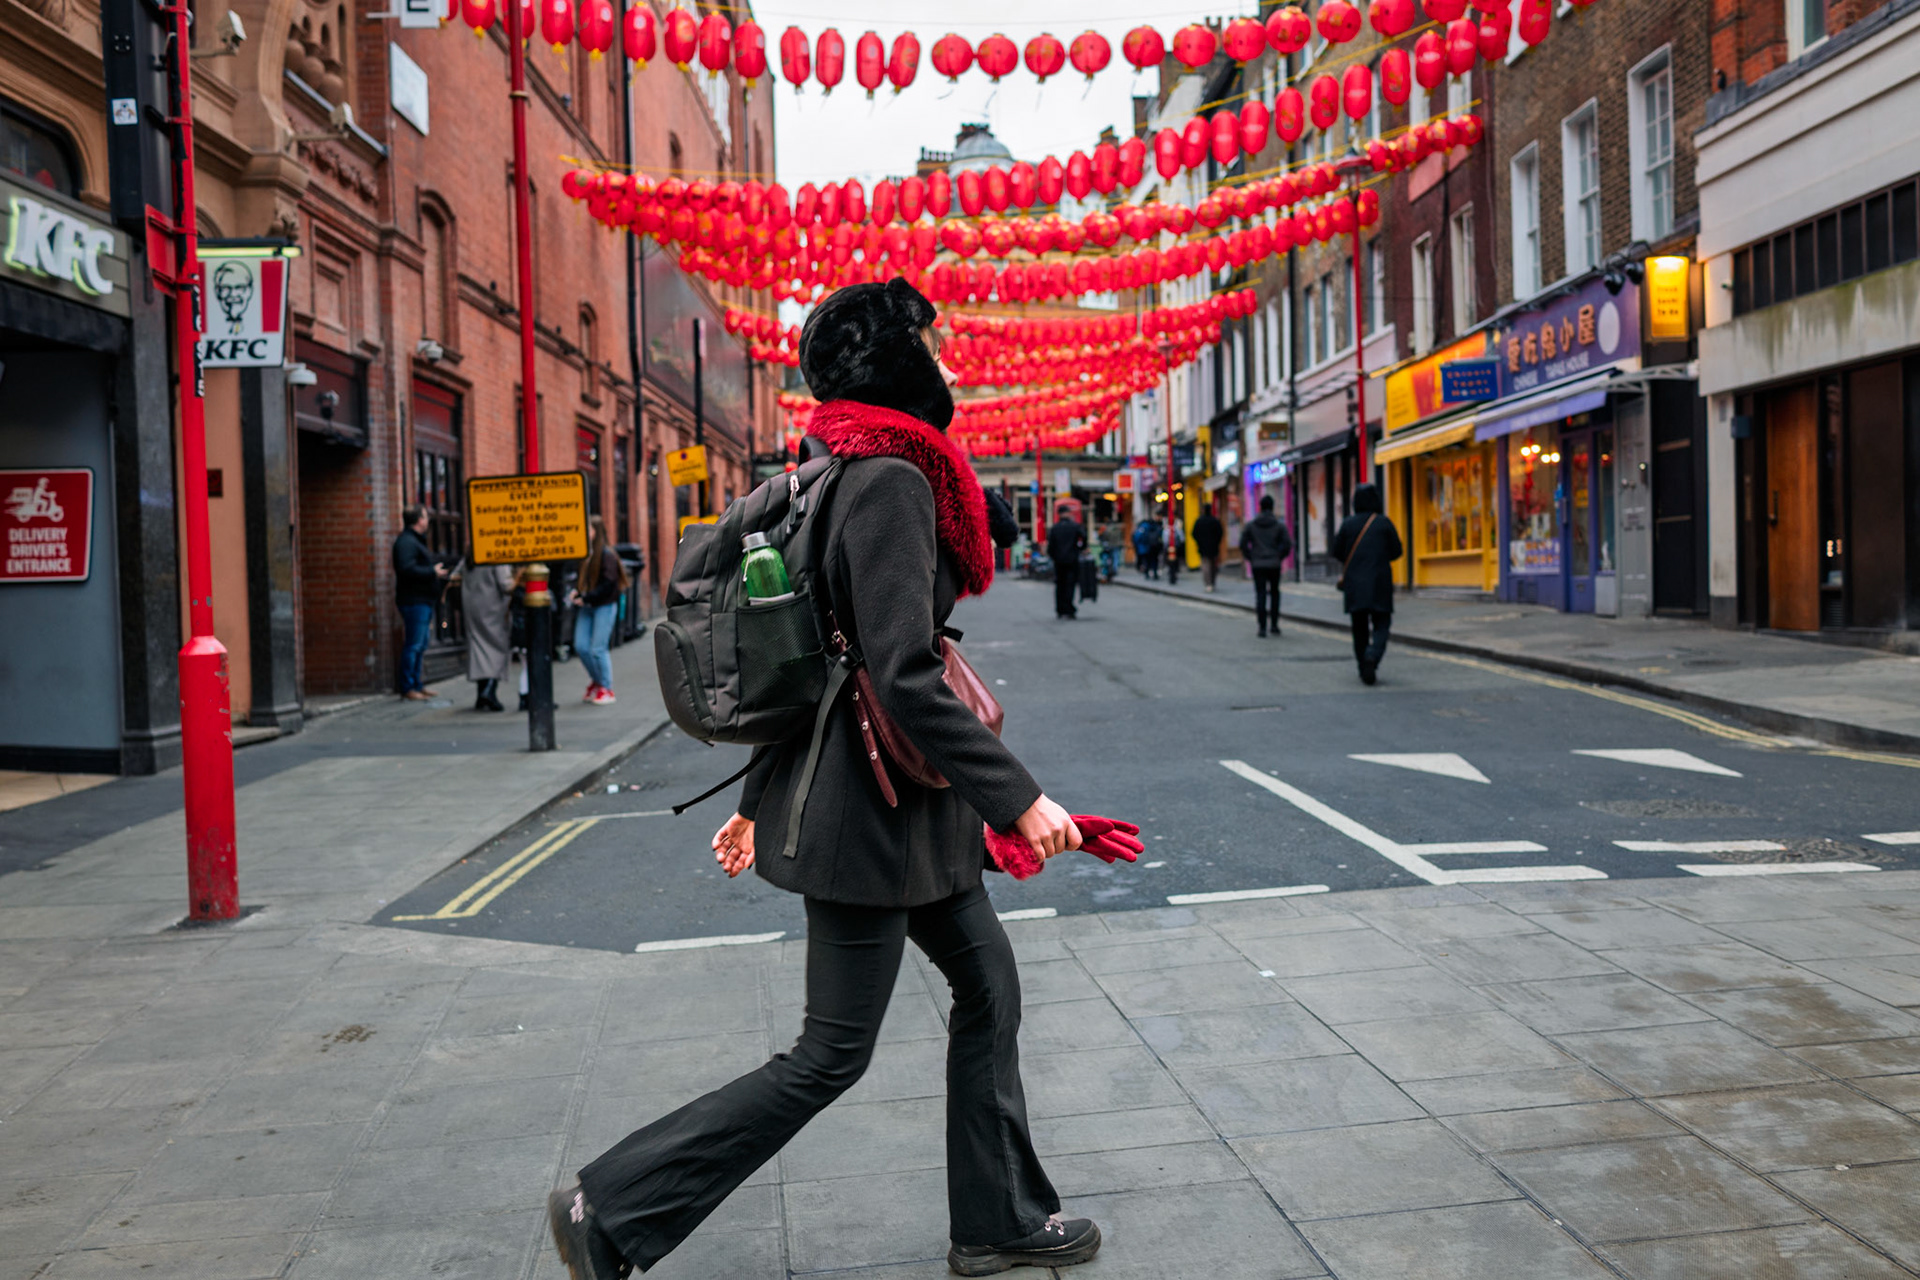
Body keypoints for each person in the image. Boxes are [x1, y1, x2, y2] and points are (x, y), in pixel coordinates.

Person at [549, 277, 1101, 1280]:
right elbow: (894, 667)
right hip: (873, 819)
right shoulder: (887, 480)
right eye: (931, 352)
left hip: (903, 812)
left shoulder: (844, 470)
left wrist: (760, 802)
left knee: (990, 989)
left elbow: (818, 654)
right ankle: (613, 1205)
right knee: (828, 1054)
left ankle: (998, 1218)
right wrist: (1020, 797)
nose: (950, 369)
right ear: (899, 368)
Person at [1331, 482, 1404, 685]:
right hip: (1380, 582)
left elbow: (1336, 552)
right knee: (1382, 624)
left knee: (1359, 628)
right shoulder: (1383, 523)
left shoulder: (1348, 524)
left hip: (1354, 584)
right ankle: (1373, 655)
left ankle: (1364, 666)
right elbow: (1397, 551)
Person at [569, 516, 629, 705]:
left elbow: (608, 585)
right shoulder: (585, 553)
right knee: (580, 647)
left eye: (588, 529)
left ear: (596, 531)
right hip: (587, 606)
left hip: (603, 606)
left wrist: (586, 597)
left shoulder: (606, 555)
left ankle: (607, 688)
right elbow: (583, 580)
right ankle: (597, 681)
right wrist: (577, 592)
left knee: (598, 648)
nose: (585, 533)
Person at [391, 505, 447, 700]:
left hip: (421, 600)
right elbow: (406, 569)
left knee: (420, 644)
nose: (428, 520)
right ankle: (408, 687)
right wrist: (432, 572)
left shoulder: (413, 541)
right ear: (419, 520)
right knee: (414, 644)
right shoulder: (406, 542)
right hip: (414, 601)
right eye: (425, 516)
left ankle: (416, 684)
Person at [461, 558, 515, 711]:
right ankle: (489, 691)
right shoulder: (494, 553)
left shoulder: (470, 554)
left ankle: (481, 694)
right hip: (493, 606)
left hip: (473, 605)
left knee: (479, 648)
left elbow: (456, 575)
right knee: (496, 648)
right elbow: (506, 584)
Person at [1240, 494, 1295, 638]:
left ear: (1260, 507)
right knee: (1275, 594)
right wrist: (1279, 556)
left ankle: (1262, 627)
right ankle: (1275, 625)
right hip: (1274, 564)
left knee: (1260, 594)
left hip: (1258, 564)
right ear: (1272, 507)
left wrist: (1251, 557)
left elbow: (1243, 544)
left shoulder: (1252, 525)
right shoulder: (1279, 525)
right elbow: (1287, 544)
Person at [1046, 506, 1086, 619]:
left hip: (1059, 561)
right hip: (1072, 560)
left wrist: (1054, 556)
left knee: (1059, 585)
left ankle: (1060, 609)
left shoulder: (1055, 528)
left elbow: (1051, 546)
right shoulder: (1075, 526)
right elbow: (1084, 537)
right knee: (1070, 585)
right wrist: (1080, 549)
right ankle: (1069, 609)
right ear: (1068, 513)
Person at [1190, 501, 1225, 592]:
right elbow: (1220, 533)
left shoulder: (1199, 521)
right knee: (1213, 565)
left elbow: (1194, 533)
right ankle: (1212, 582)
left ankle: (1208, 584)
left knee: (1206, 565)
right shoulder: (1214, 521)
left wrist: (1199, 542)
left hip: (1203, 547)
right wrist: (1216, 542)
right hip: (1213, 547)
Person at [1164, 511, 1185, 586]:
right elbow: (1182, 538)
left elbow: (1165, 540)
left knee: (1171, 563)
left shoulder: (1166, 530)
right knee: (1175, 562)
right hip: (1176, 548)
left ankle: (1172, 575)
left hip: (1170, 548)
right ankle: (1174, 575)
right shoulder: (1177, 529)